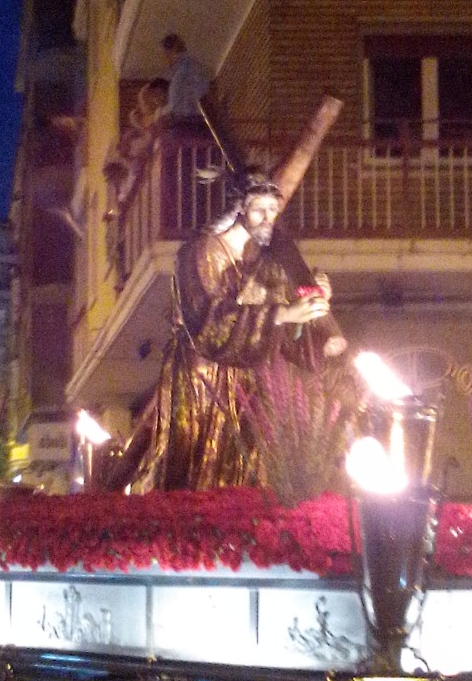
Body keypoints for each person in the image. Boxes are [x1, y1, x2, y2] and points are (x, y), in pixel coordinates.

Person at [106, 172, 333, 492]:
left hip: (249, 385)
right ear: (240, 208)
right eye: (259, 209)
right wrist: (280, 314)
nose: (268, 218)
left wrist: (310, 307)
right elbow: (206, 321)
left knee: (247, 471)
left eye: (273, 210)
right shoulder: (200, 253)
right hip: (201, 379)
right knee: (196, 466)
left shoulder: (269, 266)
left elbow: (287, 336)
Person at [160, 32, 210, 130]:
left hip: (192, 122)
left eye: (165, 54)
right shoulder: (190, 67)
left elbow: (177, 106)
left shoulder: (184, 70)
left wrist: (160, 113)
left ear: (171, 50)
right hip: (196, 119)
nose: (165, 59)